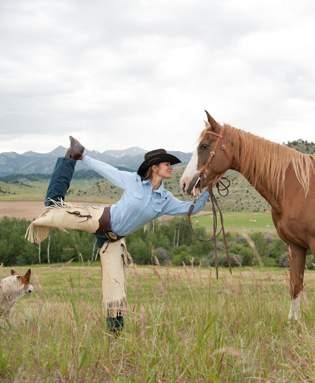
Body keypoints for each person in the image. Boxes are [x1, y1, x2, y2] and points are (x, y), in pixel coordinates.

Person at [26, 137, 209, 332]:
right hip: (97, 219)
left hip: (113, 241)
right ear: (154, 168)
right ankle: (70, 156)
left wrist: (210, 188)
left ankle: (114, 334)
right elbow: (107, 170)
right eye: (167, 164)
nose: (171, 167)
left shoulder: (165, 199)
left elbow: (193, 208)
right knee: (53, 208)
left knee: (115, 290)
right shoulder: (133, 181)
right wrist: (83, 157)